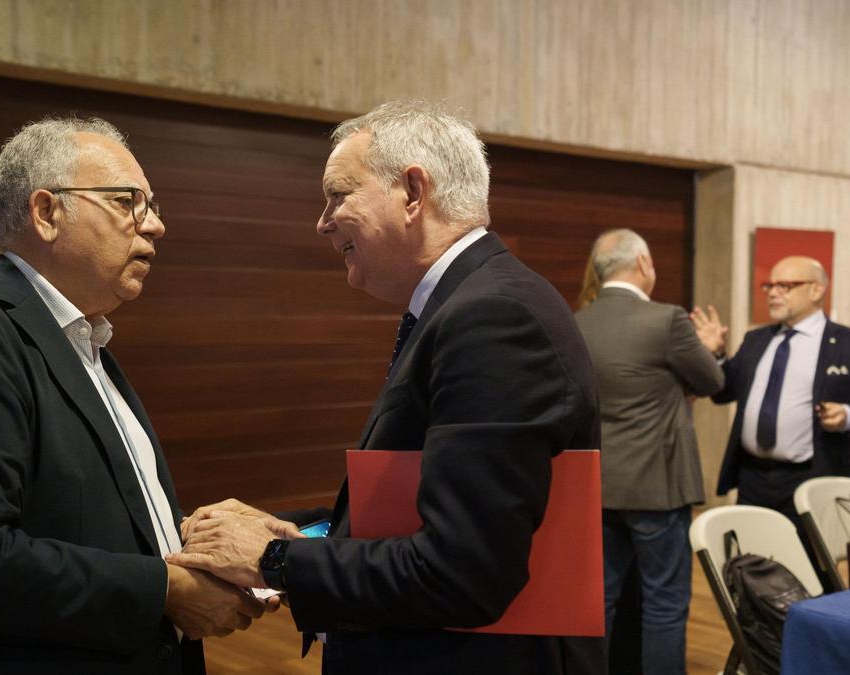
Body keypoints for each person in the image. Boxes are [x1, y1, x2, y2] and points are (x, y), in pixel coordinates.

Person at [166, 100, 603, 674]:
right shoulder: (468, 303)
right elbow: (427, 500)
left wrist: (274, 560)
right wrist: (288, 529)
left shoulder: (492, 317)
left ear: (414, 193)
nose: (322, 222)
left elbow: (463, 572)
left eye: (338, 195)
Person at [0, 117, 267, 674]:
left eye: (152, 205)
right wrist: (166, 589)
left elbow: (81, 512)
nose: (154, 225)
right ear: (46, 213)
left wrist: (199, 537)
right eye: (129, 201)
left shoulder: (84, 338)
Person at [575, 229, 724, 675]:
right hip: (658, 487)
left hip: (598, 486)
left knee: (599, 600)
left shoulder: (576, 322)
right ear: (642, 264)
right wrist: (710, 348)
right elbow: (713, 382)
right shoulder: (667, 320)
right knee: (664, 604)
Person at [692, 255, 850, 525]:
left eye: (785, 286)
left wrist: (848, 414)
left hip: (811, 479)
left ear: (816, 290)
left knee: (810, 564)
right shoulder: (756, 340)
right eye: (770, 286)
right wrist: (717, 355)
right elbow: (724, 393)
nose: (773, 293)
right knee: (751, 563)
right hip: (753, 478)